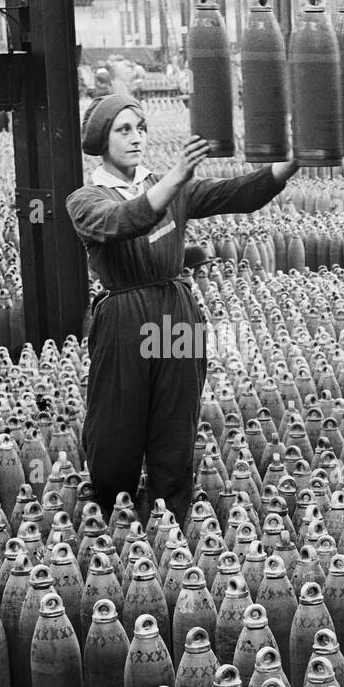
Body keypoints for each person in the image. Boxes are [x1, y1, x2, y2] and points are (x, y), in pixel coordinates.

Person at [65, 93, 299, 529]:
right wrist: (173, 178)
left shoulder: (169, 187)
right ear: (102, 140)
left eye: (141, 128)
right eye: (124, 129)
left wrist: (289, 165)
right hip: (124, 318)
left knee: (177, 421)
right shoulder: (86, 199)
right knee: (116, 426)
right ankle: (113, 520)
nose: (137, 138)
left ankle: (169, 522)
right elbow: (124, 221)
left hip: (178, 309)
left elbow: (237, 194)